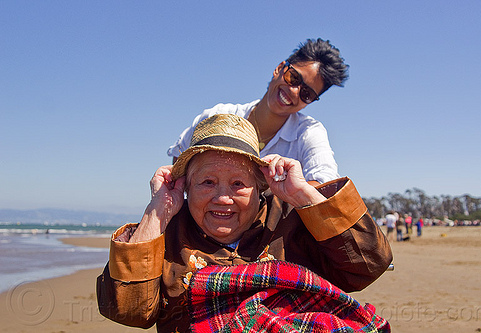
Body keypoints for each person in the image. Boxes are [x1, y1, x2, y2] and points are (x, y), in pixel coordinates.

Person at [97, 114, 392, 332]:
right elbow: (128, 310)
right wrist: (157, 211)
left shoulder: (291, 217)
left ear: (259, 185)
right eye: (207, 182)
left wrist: (302, 195)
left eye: (238, 183)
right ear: (187, 187)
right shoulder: (167, 230)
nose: (222, 198)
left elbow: (368, 265)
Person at [168, 38, 349, 186]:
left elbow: (327, 182)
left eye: (306, 94)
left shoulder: (309, 132)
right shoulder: (218, 116)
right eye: (293, 77)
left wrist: (289, 193)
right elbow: (179, 162)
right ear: (279, 68)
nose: (294, 91)